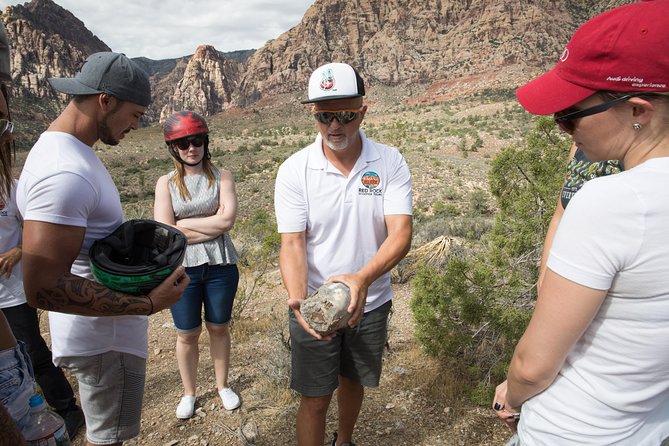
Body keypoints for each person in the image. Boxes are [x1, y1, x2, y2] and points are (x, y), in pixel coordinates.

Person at [493, 1, 669, 444]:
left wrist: (511, 397)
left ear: (638, 111)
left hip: (571, 429)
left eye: (571, 116)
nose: (562, 128)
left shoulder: (612, 201)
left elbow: (533, 367)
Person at [16, 52, 189, 446]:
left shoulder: (63, 151)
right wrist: (147, 303)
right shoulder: (65, 172)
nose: (137, 124)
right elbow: (41, 286)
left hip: (96, 337)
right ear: (105, 101)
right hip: (104, 343)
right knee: (108, 439)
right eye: (135, 113)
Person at [274, 63, 413, 446]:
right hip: (316, 302)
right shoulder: (295, 170)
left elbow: (401, 232)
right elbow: (293, 243)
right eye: (324, 116)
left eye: (346, 114)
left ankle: (344, 440)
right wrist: (299, 300)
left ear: (363, 111)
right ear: (313, 115)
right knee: (315, 397)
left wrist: (362, 279)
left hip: (371, 301)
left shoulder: (388, 162)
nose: (335, 126)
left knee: (353, 380)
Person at [0, 22, 84, 439]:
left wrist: (16, 253)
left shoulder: (9, 188)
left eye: (4, 123)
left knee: (30, 351)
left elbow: (29, 228)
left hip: (13, 291)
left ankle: (66, 408)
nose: (5, 134)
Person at [154, 110, 241, 419]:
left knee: (219, 327)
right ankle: (189, 393)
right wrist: (210, 223)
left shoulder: (223, 176)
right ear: (173, 148)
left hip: (221, 265)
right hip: (182, 269)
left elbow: (227, 220)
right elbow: (165, 233)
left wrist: (184, 223)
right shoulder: (165, 184)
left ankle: (222, 386)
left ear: (206, 142)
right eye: (183, 143)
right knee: (186, 333)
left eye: (197, 140)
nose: (191, 148)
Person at [536, 144, 622, 290]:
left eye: (572, 121)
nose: (566, 128)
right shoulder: (577, 148)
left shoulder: (633, 157)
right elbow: (560, 216)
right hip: (565, 274)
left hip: (600, 281)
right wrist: (544, 275)